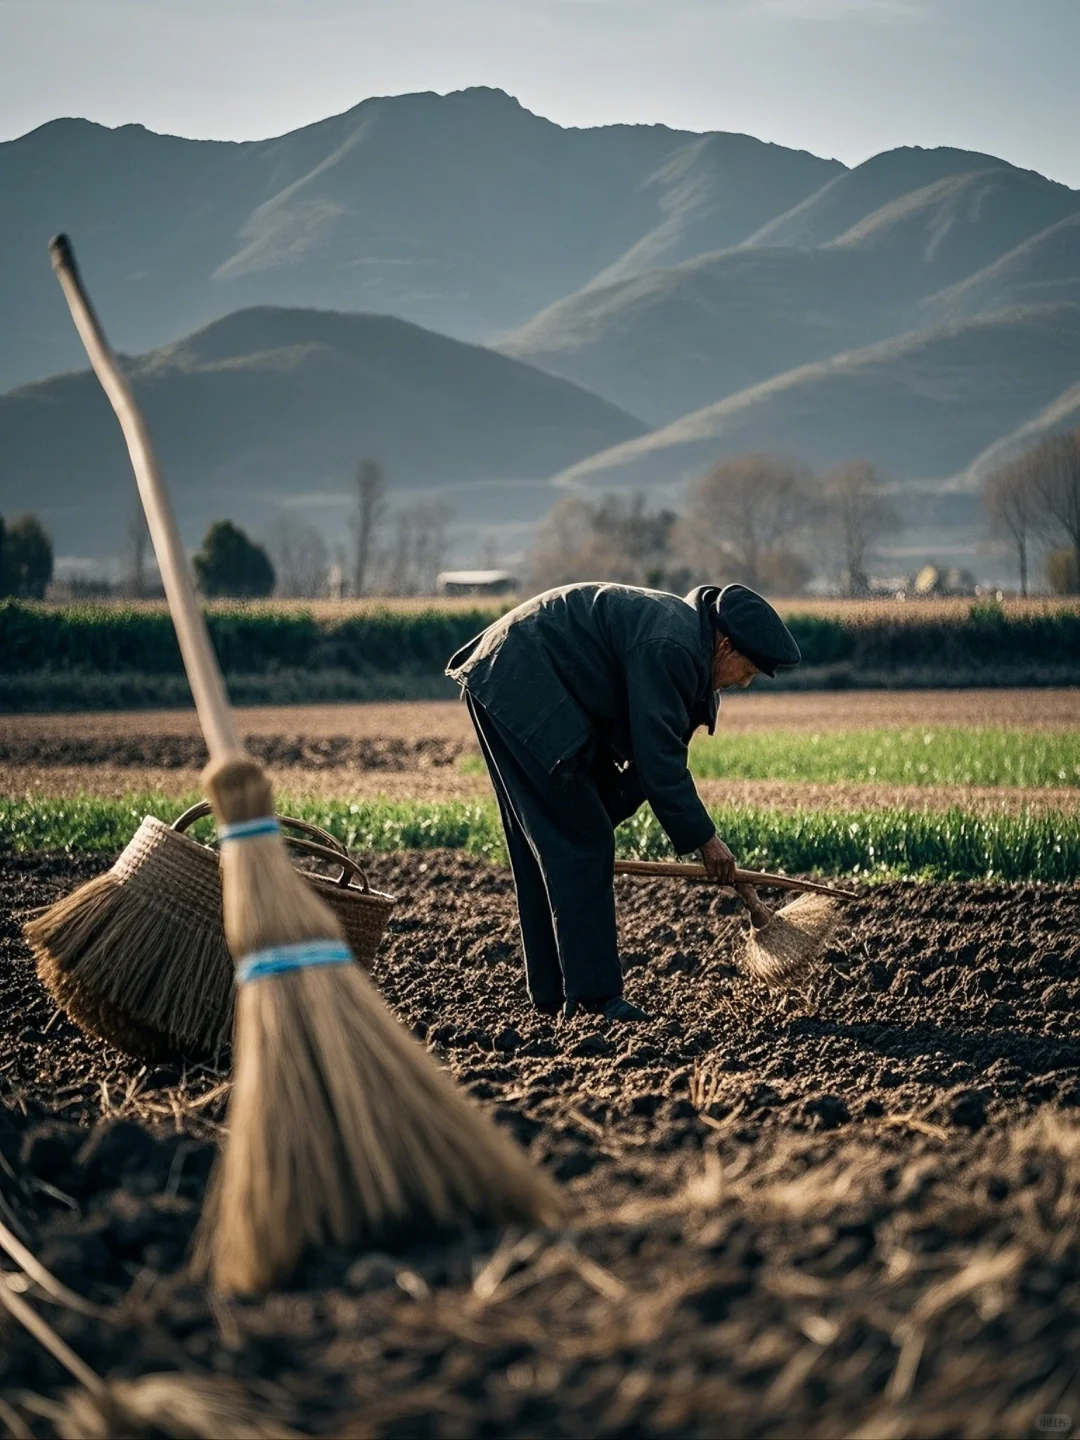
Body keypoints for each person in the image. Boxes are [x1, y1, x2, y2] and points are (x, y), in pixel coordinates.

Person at [446, 582, 801, 1023]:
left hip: (528, 684)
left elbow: (643, 771)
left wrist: (597, 821)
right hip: (519, 682)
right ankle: (593, 999)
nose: (744, 683)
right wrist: (707, 841)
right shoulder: (671, 647)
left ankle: (553, 995)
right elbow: (659, 766)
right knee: (577, 842)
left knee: (562, 844)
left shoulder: (687, 652)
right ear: (726, 645)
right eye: (747, 670)